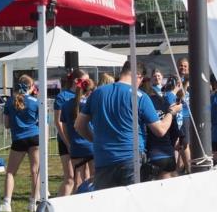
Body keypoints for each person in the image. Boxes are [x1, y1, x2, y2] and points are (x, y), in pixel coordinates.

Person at [74, 61, 173, 190]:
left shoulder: (98, 93)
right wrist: (171, 113)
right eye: (142, 80)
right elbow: (160, 130)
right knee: (132, 200)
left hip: (104, 159)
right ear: (138, 76)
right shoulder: (140, 96)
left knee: (107, 200)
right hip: (131, 159)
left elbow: (79, 125)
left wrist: (95, 140)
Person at [0, 75, 40, 212]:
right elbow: (41, 122)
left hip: (18, 139)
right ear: (31, 86)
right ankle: (33, 202)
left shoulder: (10, 101)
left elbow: (6, 124)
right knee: (35, 171)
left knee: (11, 172)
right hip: (34, 137)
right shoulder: (36, 102)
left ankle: (7, 203)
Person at [60, 70, 95, 192]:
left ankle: (77, 200)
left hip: (76, 146)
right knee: (94, 179)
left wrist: (70, 143)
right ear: (90, 90)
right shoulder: (91, 104)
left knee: (77, 181)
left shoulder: (66, 105)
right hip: (91, 144)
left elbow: (64, 128)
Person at [52, 72, 77, 198]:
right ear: (76, 81)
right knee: (70, 177)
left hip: (82, 141)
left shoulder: (87, 95)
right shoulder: (62, 97)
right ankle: (57, 204)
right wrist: (67, 142)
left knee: (82, 177)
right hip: (66, 141)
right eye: (85, 80)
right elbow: (58, 122)